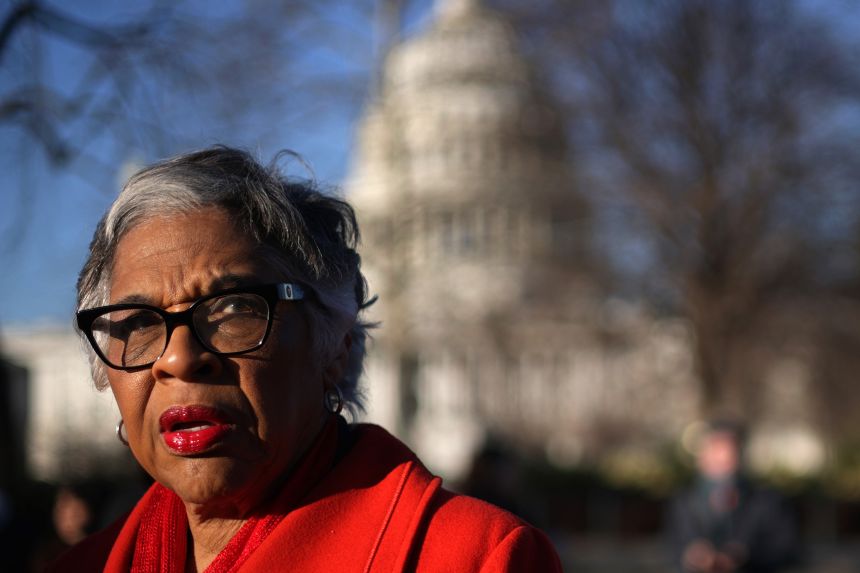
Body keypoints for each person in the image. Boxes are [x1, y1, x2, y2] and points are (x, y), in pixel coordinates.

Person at [49, 147, 562, 572]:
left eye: (234, 309)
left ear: (334, 346)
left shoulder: (478, 557)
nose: (180, 358)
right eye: (138, 322)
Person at [668, 421, 799, 573]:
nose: (721, 464)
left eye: (727, 459)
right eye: (715, 456)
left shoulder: (767, 502)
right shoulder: (683, 502)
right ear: (701, 458)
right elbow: (673, 546)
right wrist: (692, 554)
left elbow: (787, 549)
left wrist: (743, 556)